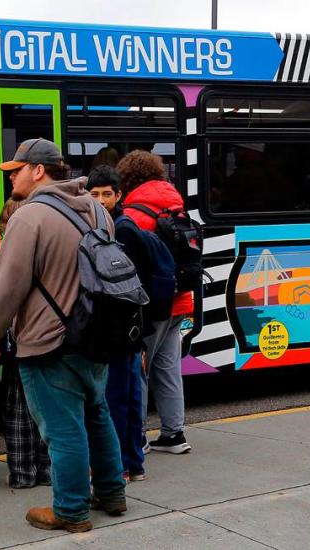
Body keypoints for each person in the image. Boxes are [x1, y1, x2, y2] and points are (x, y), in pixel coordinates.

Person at [0, 138, 125, 533]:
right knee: (97, 414)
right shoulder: (97, 209)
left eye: (16, 170)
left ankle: (71, 509)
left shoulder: (29, 218)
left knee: (63, 431)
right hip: (95, 334)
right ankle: (112, 494)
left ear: (38, 171)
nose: (11, 177)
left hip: (48, 340)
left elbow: (7, 287)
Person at [117, 150, 193, 454]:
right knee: (169, 368)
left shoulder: (135, 213)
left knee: (139, 369)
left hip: (151, 306)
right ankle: (174, 434)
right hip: (179, 299)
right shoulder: (175, 204)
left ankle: (137, 437)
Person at [86, 166, 146, 482]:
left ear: (118, 195)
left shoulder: (118, 231)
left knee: (117, 400)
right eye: (94, 195)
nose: (100, 200)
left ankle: (121, 464)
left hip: (120, 326)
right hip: (129, 327)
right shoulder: (122, 225)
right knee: (129, 398)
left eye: (106, 194)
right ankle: (133, 463)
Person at [0, 198, 51, 490]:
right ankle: (46, 469)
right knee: (46, 406)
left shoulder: (7, 250)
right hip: (48, 334)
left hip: (19, 336)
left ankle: (22, 473)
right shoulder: (48, 243)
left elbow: (5, 297)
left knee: (18, 406)